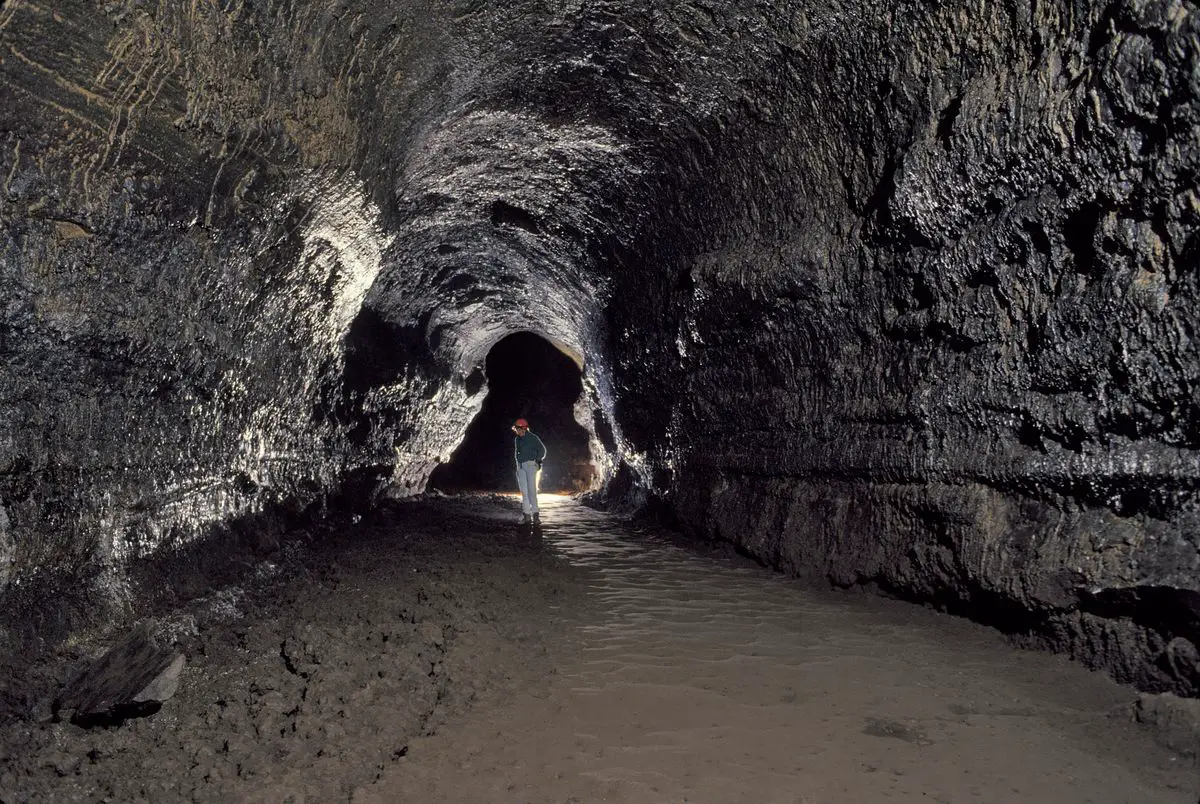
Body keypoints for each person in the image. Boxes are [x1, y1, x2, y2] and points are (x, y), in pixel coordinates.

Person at [512, 418, 547, 525]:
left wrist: (537, 460)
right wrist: (518, 466)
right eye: (516, 429)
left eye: (518, 429)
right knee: (524, 492)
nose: (517, 431)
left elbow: (542, 450)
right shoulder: (517, 439)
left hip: (531, 465)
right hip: (521, 466)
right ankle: (527, 516)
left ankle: (536, 516)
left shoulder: (533, 438)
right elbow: (517, 453)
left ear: (524, 428)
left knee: (532, 491)